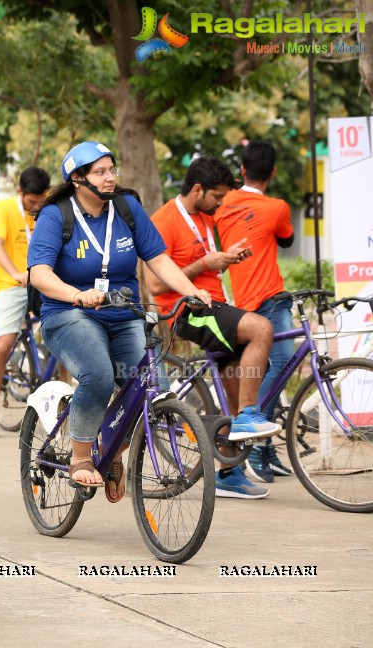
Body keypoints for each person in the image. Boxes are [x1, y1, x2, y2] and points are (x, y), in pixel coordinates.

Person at [28, 141, 211, 503]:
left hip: (124, 312)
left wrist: (192, 291)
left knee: (149, 382)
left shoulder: (127, 208)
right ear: (78, 179)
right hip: (69, 313)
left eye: (112, 169)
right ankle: (81, 456)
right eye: (101, 172)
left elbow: (158, 258)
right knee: (98, 374)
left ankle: (112, 454)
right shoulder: (56, 215)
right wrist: (75, 294)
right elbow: (39, 274)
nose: (110, 177)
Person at [144, 154, 280, 499]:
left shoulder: (205, 217)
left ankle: (228, 474)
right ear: (198, 189)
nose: (221, 204)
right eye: (217, 196)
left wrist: (225, 257)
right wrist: (205, 262)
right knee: (262, 328)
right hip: (187, 310)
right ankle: (251, 416)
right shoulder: (165, 220)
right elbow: (156, 286)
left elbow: (205, 262)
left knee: (234, 388)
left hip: (214, 305)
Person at [216, 140, 296, 483]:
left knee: (263, 373)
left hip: (241, 304)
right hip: (272, 301)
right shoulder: (277, 207)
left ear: (243, 171)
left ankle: (263, 445)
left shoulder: (222, 204)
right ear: (273, 172)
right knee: (283, 364)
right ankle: (259, 443)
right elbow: (287, 240)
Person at [0, 166, 51, 437]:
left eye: (40, 201)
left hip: (44, 282)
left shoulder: (49, 210)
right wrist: (15, 274)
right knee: (4, 345)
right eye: (31, 202)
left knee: (70, 335)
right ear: (20, 192)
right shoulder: (4, 209)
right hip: (13, 284)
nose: (36, 207)